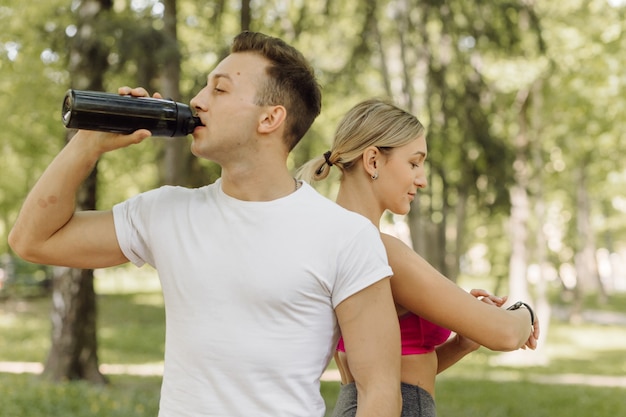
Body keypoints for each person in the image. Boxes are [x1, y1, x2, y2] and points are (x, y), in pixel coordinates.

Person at [8, 33, 402, 417]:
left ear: (270, 118)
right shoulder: (167, 211)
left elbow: (379, 390)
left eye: (220, 90)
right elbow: (32, 241)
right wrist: (87, 143)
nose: (197, 100)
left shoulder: (345, 236)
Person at [297, 98, 540, 417]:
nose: (422, 179)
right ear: (373, 161)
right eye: (413, 163)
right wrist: (524, 313)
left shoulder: (333, 238)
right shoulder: (378, 250)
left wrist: (462, 344)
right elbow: (505, 333)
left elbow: (394, 368)